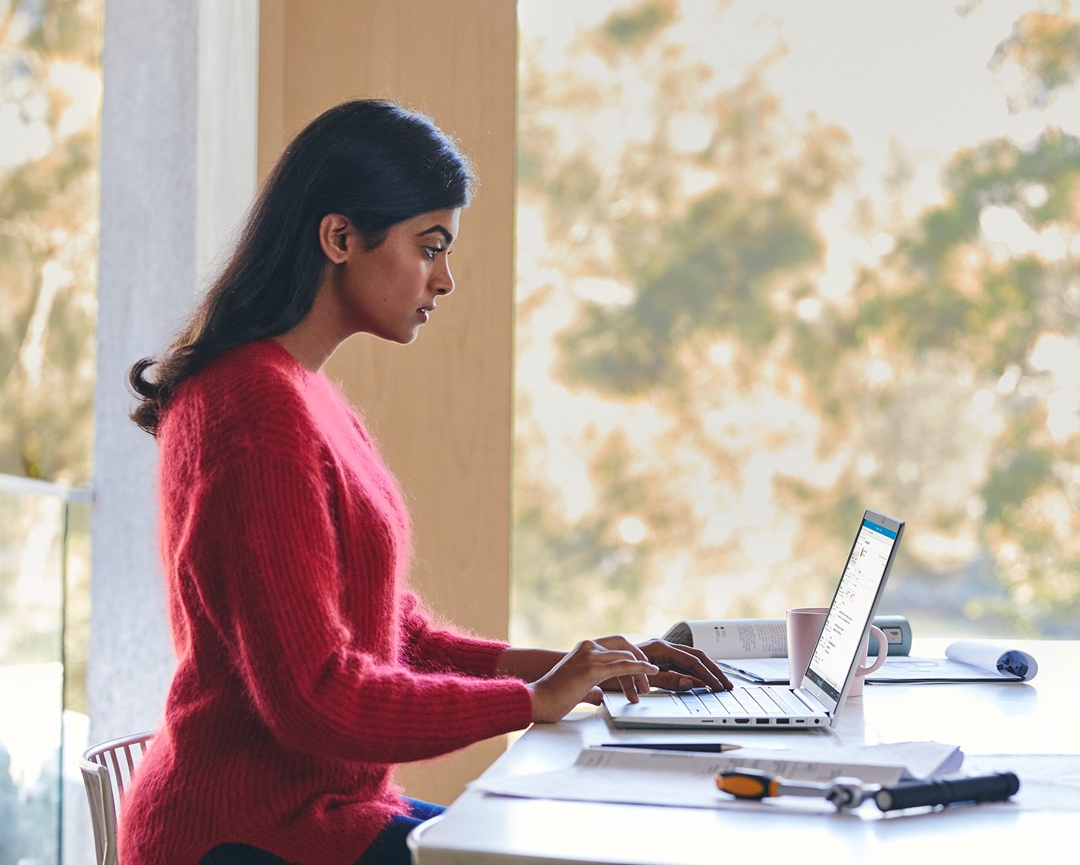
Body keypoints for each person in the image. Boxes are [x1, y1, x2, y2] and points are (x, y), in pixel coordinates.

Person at [120, 99, 731, 865]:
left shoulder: (298, 394)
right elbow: (314, 695)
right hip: (251, 837)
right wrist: (532, 702)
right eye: (429, 246)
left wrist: (580, 670)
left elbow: (391, 632)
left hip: (324, 814)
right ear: (340, 237)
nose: (444, 279)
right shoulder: (253, 410)